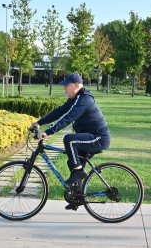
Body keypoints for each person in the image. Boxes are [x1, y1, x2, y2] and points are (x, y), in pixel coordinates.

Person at [32, 73, 111, 210]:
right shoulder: (75, 99)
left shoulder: (83, 100)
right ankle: (78, 197)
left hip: (99, 138)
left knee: (69, 139)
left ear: (76, 85)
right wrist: (40, 122)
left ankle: (79, 172)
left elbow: (67, 118)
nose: (64, 89)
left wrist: (48, 132)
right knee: (72, 161)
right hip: (90, 137)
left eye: (67, 85)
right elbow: (59, 112)